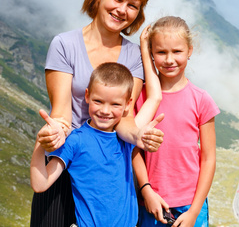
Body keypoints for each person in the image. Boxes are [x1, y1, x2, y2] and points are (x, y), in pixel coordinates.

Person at [30, 0, 164, 227]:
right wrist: (54, 133)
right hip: (65, 158)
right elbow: (61, 112)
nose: (122, 10)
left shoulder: (134, 55)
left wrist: (139, 136)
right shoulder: (64, 45)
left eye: (132, 5)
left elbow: (124, 118)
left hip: (108, 174)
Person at [31, 62, 164, 226]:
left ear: (127, 105)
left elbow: (155, 97)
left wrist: (144, 43)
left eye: (115, 104)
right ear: (87, 96)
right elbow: (40, 184)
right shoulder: (75, 141)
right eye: (98, 101)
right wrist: (40, 142)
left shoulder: (127, 138)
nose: (105, 111)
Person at [133, 16, 220, 227]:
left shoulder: (201, 100)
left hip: (190, 206)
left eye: (177, 52)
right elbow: (133, 150)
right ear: (152, 54)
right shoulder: (141, 98)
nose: (169, 59)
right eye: (161, 52)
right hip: (150, 203)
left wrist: (194, 211)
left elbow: (208, 158)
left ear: (189, 51)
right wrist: (147, 191)